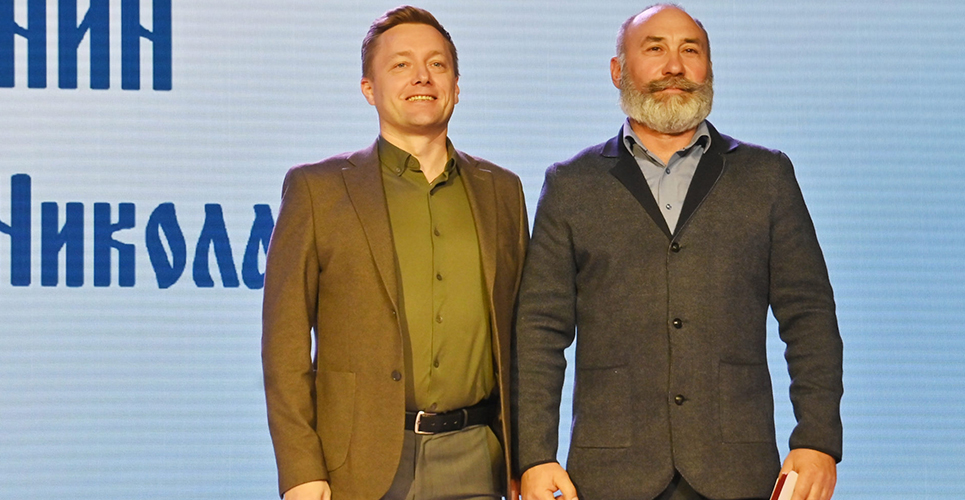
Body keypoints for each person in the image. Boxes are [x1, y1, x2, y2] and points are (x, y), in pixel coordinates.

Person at [513, 4, 842, 500]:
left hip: (737, 470)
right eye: (655, 49)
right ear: (617, 71)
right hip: (610, 473)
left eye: (690, 50)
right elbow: (540, 330)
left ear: (709, 68)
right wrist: (535, 456)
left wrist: (817, 439)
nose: (674, 66)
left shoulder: (767, 176)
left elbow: (809, 315)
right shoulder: (571, 185)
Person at [262, 6, 528, 500]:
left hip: (479, 461)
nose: (422, 76)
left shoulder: (503, 192)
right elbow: (285, 346)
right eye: (401, 64)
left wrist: (527, 457)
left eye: (437, 64)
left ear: (456, 86)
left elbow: (522, 338)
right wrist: (300, 470)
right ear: (369, 88)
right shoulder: (317, 191)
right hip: (358, 466)